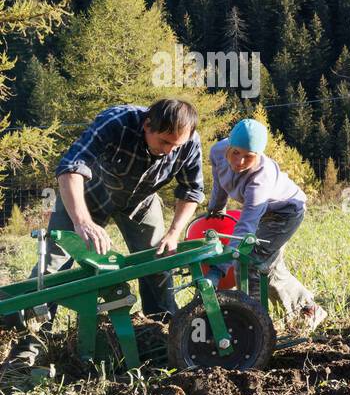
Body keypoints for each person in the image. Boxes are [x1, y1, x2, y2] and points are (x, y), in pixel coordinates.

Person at [5, 99, 206, 367]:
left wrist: (173, 232)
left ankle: (164, 336)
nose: (169, 152)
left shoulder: (189, 141)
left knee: (157, 260)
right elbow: (70, 169)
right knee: (52, 269)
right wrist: (82, 222)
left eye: (175, 146)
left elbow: (191, 190)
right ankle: (29, 348)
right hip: (85, 198)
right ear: (147, 125)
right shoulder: (116, 123)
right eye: (164, 142)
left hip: (140, 202)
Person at [204, 118, 327, 330]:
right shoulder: (217, 152)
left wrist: (218, 269)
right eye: (236, 153)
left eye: (248, 157)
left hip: (285, 212)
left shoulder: (261, 179)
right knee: (268, 265)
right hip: (263, 212)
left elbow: (245, 229)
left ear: (258, 155)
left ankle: (254, 327)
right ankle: (308, 310)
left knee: (251, 261)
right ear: (229, 145)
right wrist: (216, 208)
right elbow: (220, 181)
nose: (240, 161)